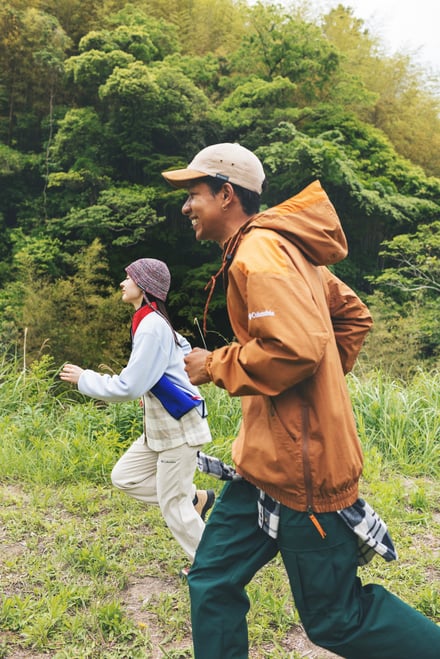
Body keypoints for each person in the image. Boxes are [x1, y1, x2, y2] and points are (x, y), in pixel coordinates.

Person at [161, 143, 440, 658]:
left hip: (304, 476)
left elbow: (295, 349)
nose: (186, 206)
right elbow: (352, 317)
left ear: (227, 196)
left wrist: (213, 364)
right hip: (263, 467)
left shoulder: (262, 254)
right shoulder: (284, 250)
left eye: (194, 193)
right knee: (211, 581)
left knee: (337, 620)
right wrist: (314, 389)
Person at [60, 258, 215, 570]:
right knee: (125, 477)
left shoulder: (152, 326)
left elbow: (128, 386)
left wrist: (85, 379)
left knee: (174, 506)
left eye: (127, 278)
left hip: (178, 430)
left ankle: (214, 571)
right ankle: (195, 500)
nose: (122, 283)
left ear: (143, 286)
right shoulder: (152, 321)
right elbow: (181, 355)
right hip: (161, 429)